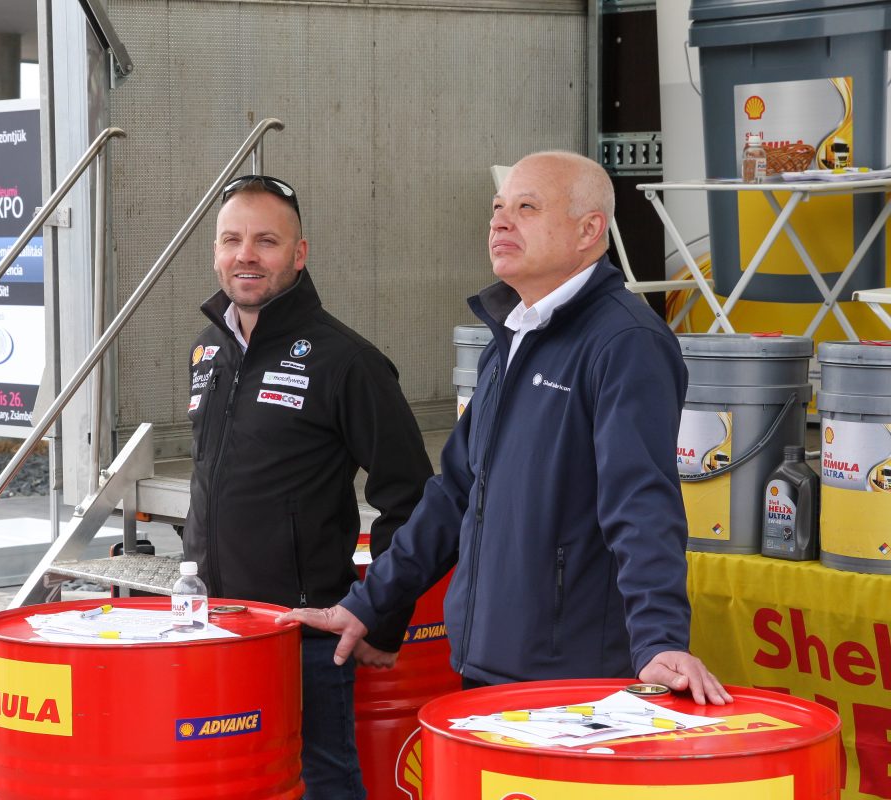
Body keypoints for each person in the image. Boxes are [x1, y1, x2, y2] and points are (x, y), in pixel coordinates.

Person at [279, 152, 732, 706]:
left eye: (526, 208)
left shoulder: (625, 343)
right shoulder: (511, 338)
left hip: (574, 680)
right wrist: (367, 604)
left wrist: (660, 639)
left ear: (589, 230)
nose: (499, 222)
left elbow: (641, 502)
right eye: (498, 208)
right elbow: (454, 495)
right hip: (487, 664)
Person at [184, 174, 434, 798]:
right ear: (215, 252)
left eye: (266, 241)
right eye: (231, 240)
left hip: (305, 633)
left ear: (299, 254)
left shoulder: (347, 361)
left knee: (322, 782)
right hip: (216, 626)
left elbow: (411, 498)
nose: (245, 255)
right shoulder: (207, 350)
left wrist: (380, 618)